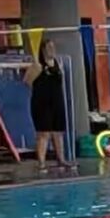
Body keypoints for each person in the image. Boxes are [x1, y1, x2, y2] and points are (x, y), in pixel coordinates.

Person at [27, 39, 72, 169]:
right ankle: (41, 162)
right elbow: (27, 81)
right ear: (43, 50)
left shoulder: (57, 63)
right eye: (49, 47)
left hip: (57, 102)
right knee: (44, 133)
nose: (52, 50)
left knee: (58, 132)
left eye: (53, 47)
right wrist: (40, 91)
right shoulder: (38, 65)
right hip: (42, 103)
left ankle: (61, 159)